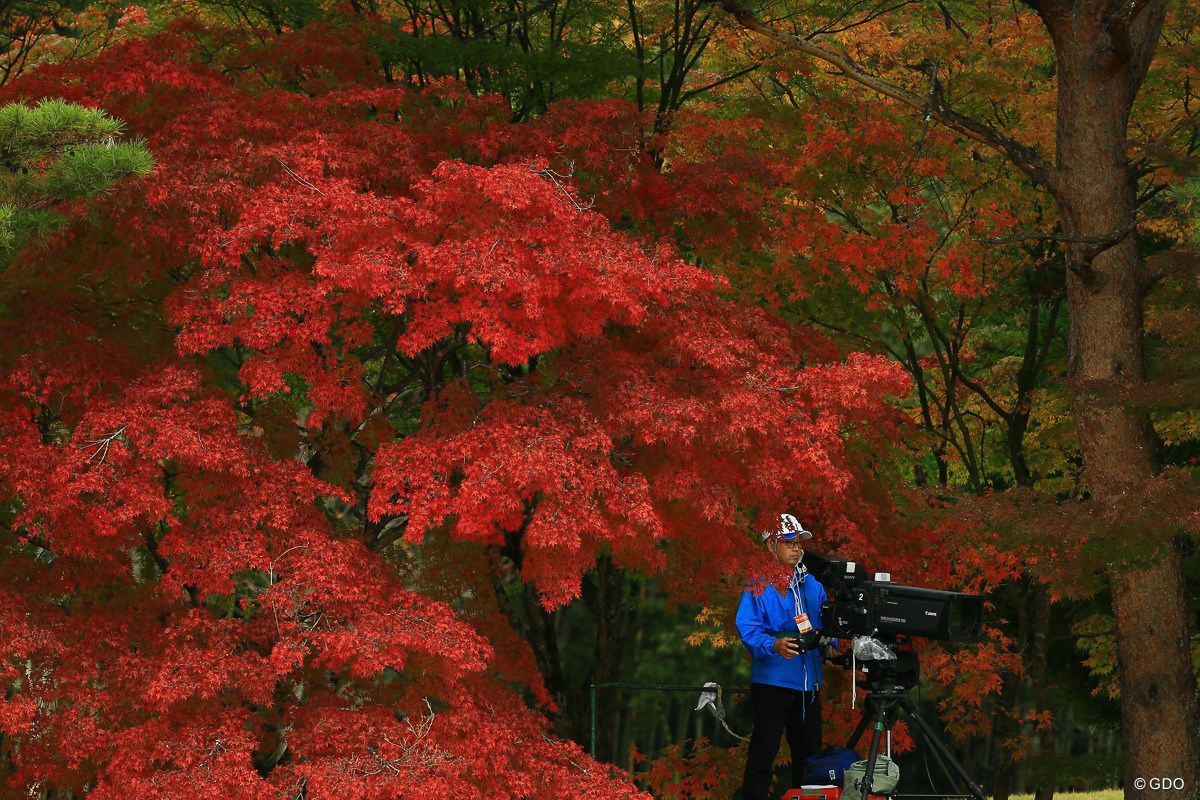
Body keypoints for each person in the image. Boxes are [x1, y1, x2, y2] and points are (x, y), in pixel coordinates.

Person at [736, 514, 839, 800]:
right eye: (789, 543)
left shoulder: (813, 585)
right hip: (773, 683)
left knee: (809, 758)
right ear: (771, 546)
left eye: (799, 543)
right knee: (763, 753)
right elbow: (747, 628)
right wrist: (773, 644)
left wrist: (832, 645)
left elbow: (824, 626)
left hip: (809, 687)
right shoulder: (758, 584)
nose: (797, 549)